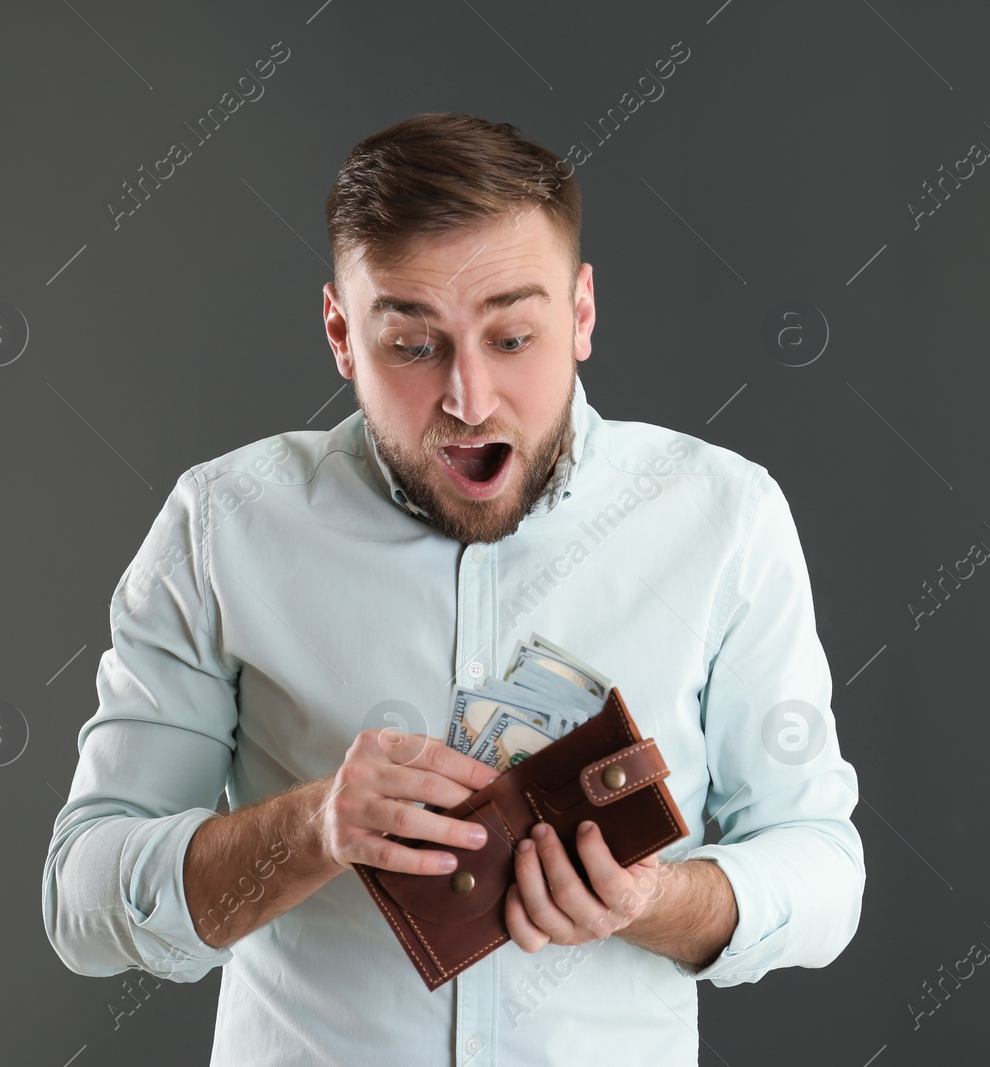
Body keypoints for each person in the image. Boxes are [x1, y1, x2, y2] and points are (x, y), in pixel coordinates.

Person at [43, 112, 864, 1066]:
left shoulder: (725, 516)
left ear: (584, 313)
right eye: (411, 345)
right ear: (341, 333)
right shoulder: (221, 524)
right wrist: (313, 828)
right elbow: (83, 900)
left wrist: (651, 900)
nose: (468, 398)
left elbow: (823, 871)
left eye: (513, 336)